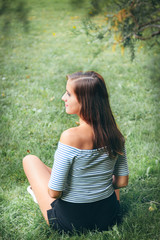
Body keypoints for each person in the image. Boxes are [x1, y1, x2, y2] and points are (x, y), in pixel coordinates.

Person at [23, 71, 129, 233]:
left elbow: (55, 192)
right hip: (108, 218)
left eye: (69, 94)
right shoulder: (115, 134)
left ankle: (36, 194)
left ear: (85, 101)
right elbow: (121, 182)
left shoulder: (70, 137)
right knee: (104, 174)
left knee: (30, 160)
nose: (63, 98)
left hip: (70, 222)